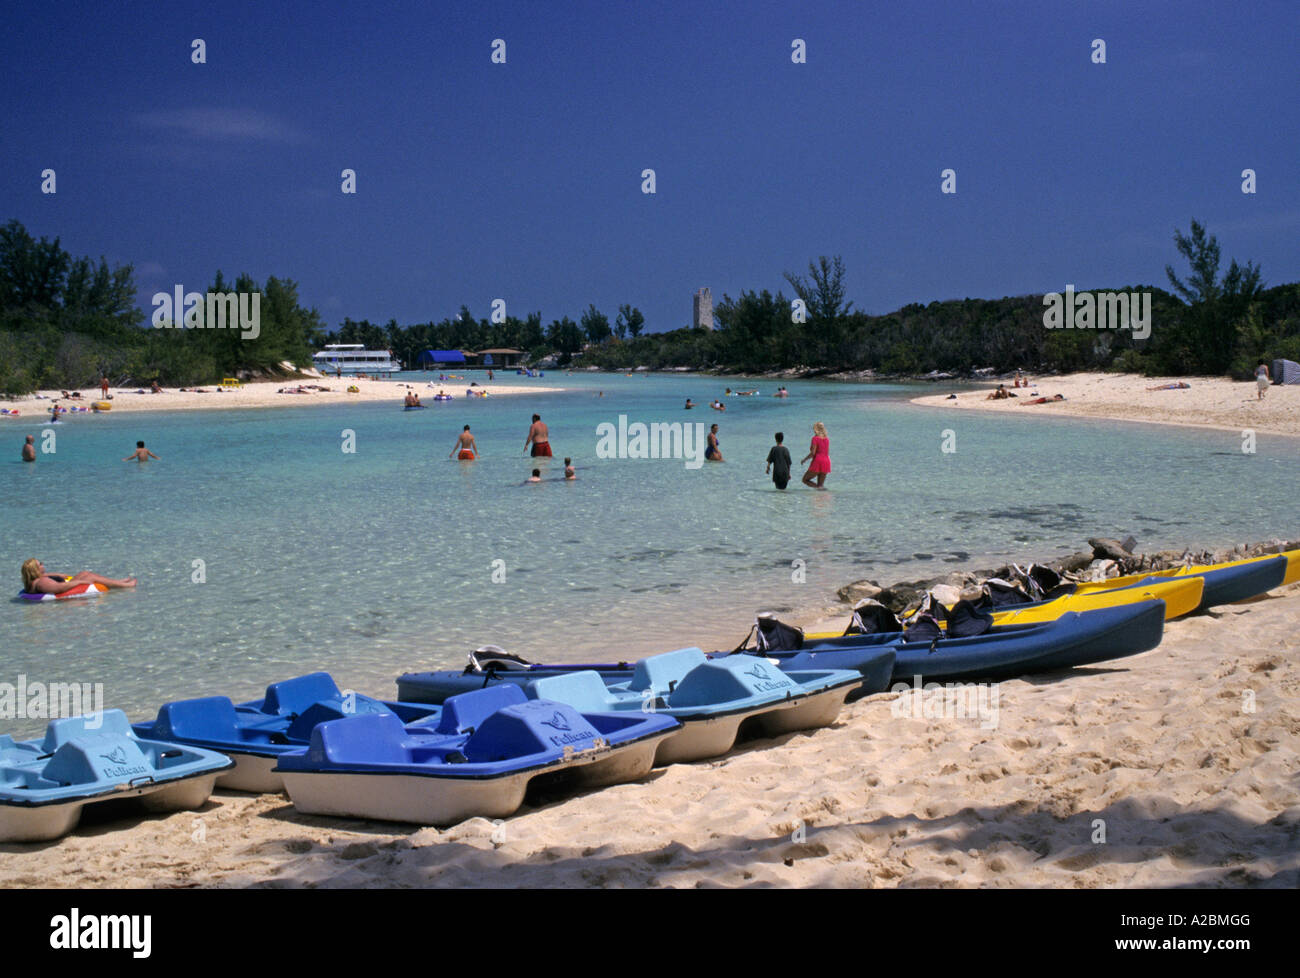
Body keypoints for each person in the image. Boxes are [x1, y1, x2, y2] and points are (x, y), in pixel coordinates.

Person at [21, 558, 136, 595]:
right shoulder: (42, 582)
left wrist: (57, 575)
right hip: (64, 590)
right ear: (36, 570)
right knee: (89, 577)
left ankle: (117, 581)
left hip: (64, 585)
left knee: (84, 573)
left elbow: (46, 576)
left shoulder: (35, 579)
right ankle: (125, 586)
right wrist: (78, 583)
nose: (42, 564)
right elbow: (58, 589)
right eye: (40, 564)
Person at [801, 422, 830, 489]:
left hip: (818, 461)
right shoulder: (827, 439)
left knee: (805, 480)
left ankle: (819, 489)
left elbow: (813, 453)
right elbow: (827, 452)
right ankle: (823, 494)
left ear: (815, 429)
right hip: (826, 461)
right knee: (820, 485)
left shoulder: (815, 438)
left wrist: (804, 459)